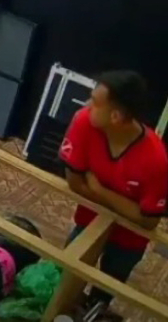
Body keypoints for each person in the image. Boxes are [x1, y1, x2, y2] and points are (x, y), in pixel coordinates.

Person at [60, 70, 168, 307]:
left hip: (129, 240)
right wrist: (126, 207)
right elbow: (75, 183)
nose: (87, 105)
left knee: (104, 293)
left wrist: (99, 191)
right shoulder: (83, 121)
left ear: (116, 116)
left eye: (95, 103)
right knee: (65, 278)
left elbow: (148, 221)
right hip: (88, 221)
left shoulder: (157, 159)